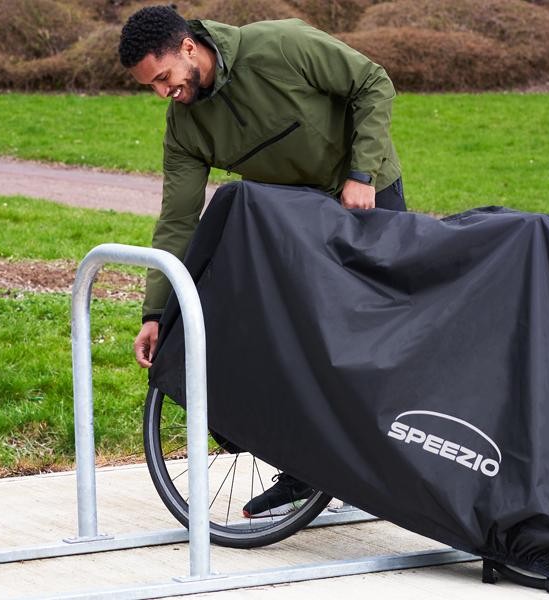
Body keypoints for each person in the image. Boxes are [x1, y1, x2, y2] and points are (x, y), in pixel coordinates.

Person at [119, 5, 405, 518]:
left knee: (377, 340)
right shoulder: (185, 125)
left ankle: (408, 460)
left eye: (164, 78)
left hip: (362, 194)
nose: (165, 93)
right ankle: (307, 473)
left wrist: (361, 173)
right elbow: (178, 219)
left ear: (189, 47)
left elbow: (373, 83)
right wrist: (156, 314)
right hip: (294, 218)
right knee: (289, 341)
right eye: (153, 88)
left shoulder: (279, 47)